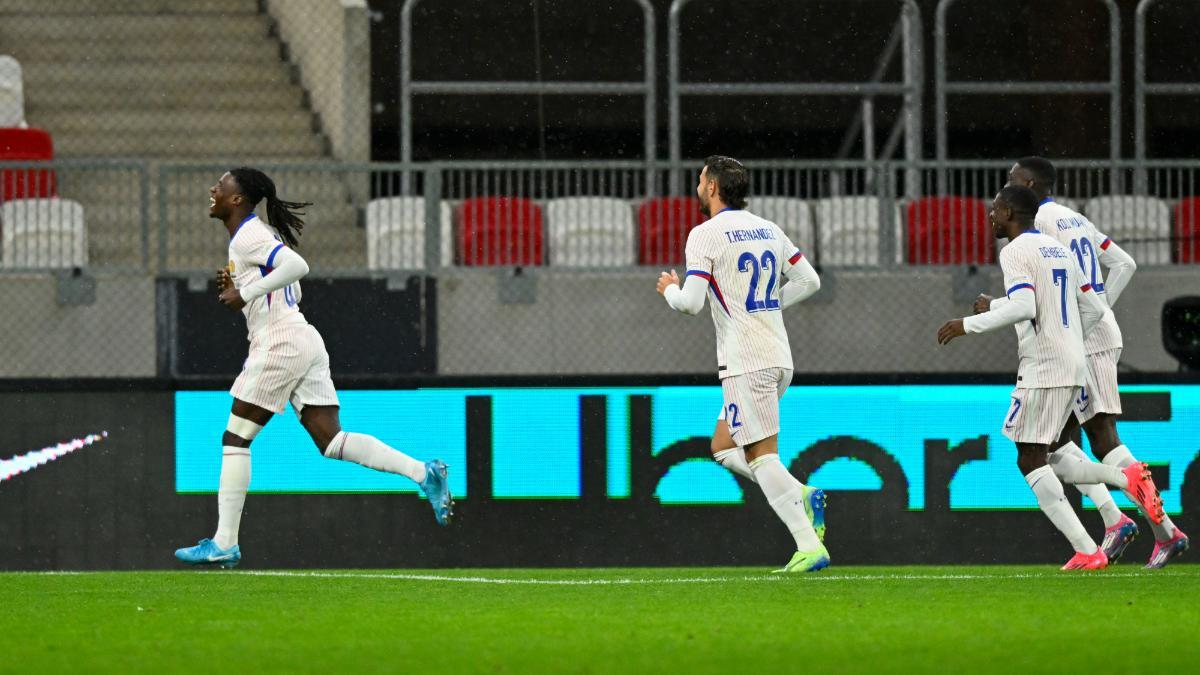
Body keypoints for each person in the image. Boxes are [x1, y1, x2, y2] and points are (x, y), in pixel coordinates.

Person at [174, 168, 453, 569]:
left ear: (238, 199)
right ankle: (424, 473)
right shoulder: (261, 235)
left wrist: (247, 291)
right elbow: (290, 287)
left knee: (235, 439)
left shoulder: (251, 233)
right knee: (331, 441)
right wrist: (243, 285)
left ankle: (224, 542)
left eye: (222, 184)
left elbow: (297, 267)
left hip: (281, 342)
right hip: (303, 337)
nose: (213, 188)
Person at [937, 185, 1165, 570]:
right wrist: (1071, 337)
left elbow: (1024, 305)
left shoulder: (1014, 250)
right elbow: (1094, 305)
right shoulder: (1055, 247)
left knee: (1029, 459)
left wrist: (967, 324)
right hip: (1075, 362)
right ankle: (1122, 490)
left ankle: (1092, 541)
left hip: (1044, 366)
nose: (991, 216)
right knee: (1055, 451)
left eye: (995, 210)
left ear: (1010, 212)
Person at [1004, 156, 1188, 568]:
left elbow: (1058, 285)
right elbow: (1124, 263)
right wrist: (1100, 309)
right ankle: (1114, 520)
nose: (1007, 189)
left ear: (1030, 184)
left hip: (1082, 344)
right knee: (1058, 442)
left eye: (1013, 182)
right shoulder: (1074, 218)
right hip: (1088, 337)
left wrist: (1085, 321)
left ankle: (1165, 532)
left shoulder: (1042, 226)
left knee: (1102, 438)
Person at [655, 156, 826, 572]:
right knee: (722, 447)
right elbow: (810, 281)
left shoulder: (705, 235)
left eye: (699, 181)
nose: (697, 188)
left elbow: (691, 304)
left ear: (712, 187)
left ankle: (809, 544)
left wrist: (669, 290)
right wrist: (766, 309)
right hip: (778, 358)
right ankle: (801, 492)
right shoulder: (768, 228)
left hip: (746, 362)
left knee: (761, 456)